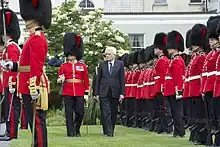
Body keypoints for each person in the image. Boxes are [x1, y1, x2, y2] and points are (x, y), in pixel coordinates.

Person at [1, 0, 52, 146]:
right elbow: (26, 65)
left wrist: (33, 86)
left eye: (28, 19)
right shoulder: (33, 38)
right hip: (28, 83)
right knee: (33, 122)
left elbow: (35, 66)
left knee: (37, 122)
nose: (26, 21)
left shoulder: (36, 39)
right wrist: (13, 66)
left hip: (32, 85)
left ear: (35, 19)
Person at [57, 32, 89, 137]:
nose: (70, 55)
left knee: (80, 112)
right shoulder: (63, 66)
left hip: (79, 91)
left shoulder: (82, 66)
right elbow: (59, 79)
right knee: (69, 113)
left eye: (72, 53)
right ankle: (70, 132)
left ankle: (77, 128)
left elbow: (86, 80)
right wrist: (61, 79)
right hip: (68, 91)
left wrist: (86, 92)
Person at [0, 8, 21, 141]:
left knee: (12, 110)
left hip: (11, 83)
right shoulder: (8, 48)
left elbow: (14, 67)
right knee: (8, 109)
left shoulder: (12, 47)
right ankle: (8, 130)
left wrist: (12, 83)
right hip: (7, 83)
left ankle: (11, 133)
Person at [95, 46, 125, 137]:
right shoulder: (102, 65)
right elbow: (98, 80)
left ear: (114, 55)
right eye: (106, 54)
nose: (107, 56)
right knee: (106, 112)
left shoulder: (120, 64)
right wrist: (96, 93)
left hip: (115, 91)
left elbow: (122, 80)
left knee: (113, 112)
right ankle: (109, 132)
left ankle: (110, 129)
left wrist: (122, 93)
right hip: (104, 91)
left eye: (109, 54)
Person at [163, 30, 186, 138]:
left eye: (169, 47)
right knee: (173, 111)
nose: (168, 49)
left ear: (174, 48)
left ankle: (180, 131)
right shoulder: (173, 60)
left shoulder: (177, 60)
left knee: (177, 112)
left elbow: (178, 77)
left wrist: (178, 91)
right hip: (170, 89)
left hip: (174, 90)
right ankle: (177, 131)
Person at [152, 32, 169, 134]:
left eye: (156, 48)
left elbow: (163, 76)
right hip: (158, 86)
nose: (155, 50)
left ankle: (164, 127)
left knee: (162, 108)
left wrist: (162, 87)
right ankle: (161, 126)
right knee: (159, 108)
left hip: (161, 86)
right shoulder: (160, 60)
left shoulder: (163, 60)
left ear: (161, 49)